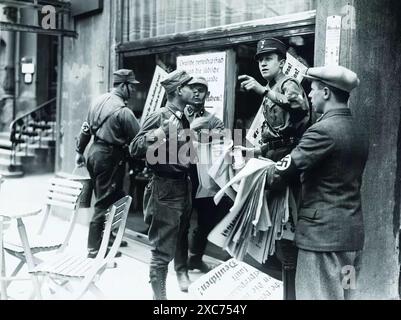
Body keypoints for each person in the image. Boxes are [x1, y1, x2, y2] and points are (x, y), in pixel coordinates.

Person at [266, 65, 368, 300]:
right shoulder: (359, 131)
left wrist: (254, 172)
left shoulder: (321, 131)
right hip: (351, 239)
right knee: (346, 295)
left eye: (312, 90)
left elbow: (284, 170)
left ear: (326, 92)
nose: (308, 96)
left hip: (322, 241)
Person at [237, 38, 311, 299]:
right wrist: (256, 151)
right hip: (276, 158)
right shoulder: (271, 88)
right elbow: (277, 136)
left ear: (282, 62)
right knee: (278, 235)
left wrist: (262, 91)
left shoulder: (286, 84)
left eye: (268, 59)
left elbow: (300, 107)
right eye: (260, 59)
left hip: (292, 167)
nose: (263, 64)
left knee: (287, 236)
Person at [129, 70, 195, 300]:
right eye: (189, 86)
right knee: (161, 252)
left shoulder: (184, 115)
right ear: (178, 91)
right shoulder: (160, 116)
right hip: (165, 189)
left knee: (177, 239)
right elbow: (135, 147)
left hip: (181, 186)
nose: (193, 90)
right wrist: (160, 133)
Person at [75, 69, 140, 258]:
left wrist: (80, 151)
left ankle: (109, 237)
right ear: (122, 85)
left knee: (117, 196)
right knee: (104, 202)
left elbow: (86, 128)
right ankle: (94, 249)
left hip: (94, 153)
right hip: (111, 157)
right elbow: (139, 139)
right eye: (131, 86)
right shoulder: (123, 111)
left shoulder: (98, 101)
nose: (134, 91)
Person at [184, 76, 232, 273]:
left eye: (201, 90)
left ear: (208, 94)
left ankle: (195, 257)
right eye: (193, 89)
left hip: (204, 176)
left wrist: (196, 137)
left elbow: (222, 141)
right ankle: (179, 263)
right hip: (182, 173)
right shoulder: (179, 115)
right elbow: (169, 144)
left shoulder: (214, 120)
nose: (197, 93)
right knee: (182, 220)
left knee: (206, 219)